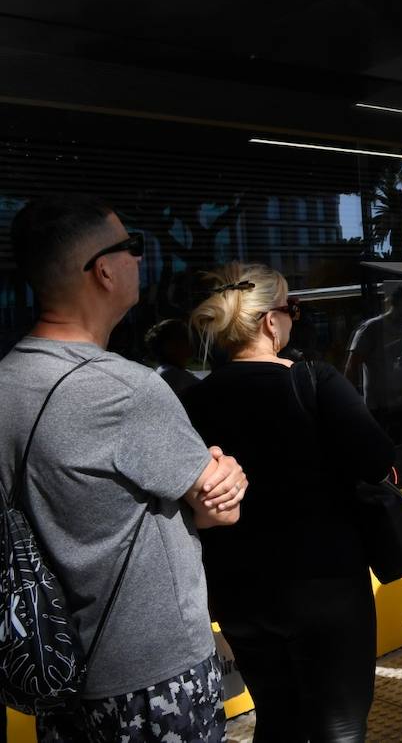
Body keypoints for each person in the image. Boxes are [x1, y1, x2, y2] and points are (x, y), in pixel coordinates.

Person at [0, 197, 245, 741]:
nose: (140, 257)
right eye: (132, 246)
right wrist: (229, 477)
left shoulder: (7, 381)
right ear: (103, 271)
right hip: (155, 677)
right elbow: (219, 511)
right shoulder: (125, 389)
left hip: (55, 669)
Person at [187, 262, 395, 742]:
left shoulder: (194, 398)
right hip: (325, 582)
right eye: (292, 309)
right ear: (269, 321)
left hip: (238, 586)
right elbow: (378, 459)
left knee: (276, 717)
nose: (294, 319)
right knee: (340, 725)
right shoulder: (315, 380)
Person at [345, 281, 402, 484]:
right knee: (390, 466)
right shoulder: (372, 329)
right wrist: (353, 410)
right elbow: (351, 369)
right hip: (384, 412)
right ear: (401, 303)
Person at [144, 317, 201, 400]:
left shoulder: (167, 372)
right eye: (185, 337)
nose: (191, 340)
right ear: (170, 347)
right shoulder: (173, 376)